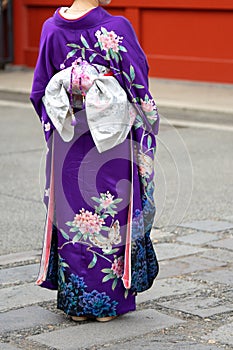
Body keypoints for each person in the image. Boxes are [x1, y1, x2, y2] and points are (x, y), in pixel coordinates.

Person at [30, 0, 160, 323]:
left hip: (69, 141)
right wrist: (141, 120)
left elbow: (39, 92)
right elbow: (139, 86)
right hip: (111, 145)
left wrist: (63, 119)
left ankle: (76, 302)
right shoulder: (116, 30)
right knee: (108, 216)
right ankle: (108, 304)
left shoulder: (50, 30)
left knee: (75, 216)